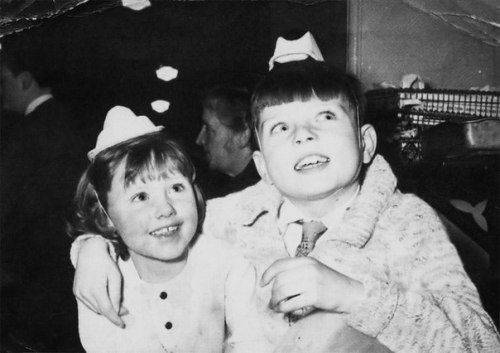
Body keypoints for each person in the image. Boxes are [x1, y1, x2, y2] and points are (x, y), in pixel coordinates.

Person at [70, 32, 500, 352]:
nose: (304, 136)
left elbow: (482, 343)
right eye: (280, 127)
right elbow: (150, 227)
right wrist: (92, 249)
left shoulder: (407, 222)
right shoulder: (223, 219)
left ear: (366, 142)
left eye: (325, 117)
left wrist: (353, 296)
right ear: (262, 165)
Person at [68, 105, 268, 353]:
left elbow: (253, 342)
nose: (165, 209)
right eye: (140, 196)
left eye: (176, 188)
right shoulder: (101, 280)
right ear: (106, 215)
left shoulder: (226, 263)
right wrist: (89, 247)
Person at [0, 33, 85, 351]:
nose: (0, 90)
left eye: (3, 80)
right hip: (66, 270)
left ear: (24, 80)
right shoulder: (69, 122)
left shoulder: (28, 131)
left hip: (30, 274)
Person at [195, 85, 260, 198]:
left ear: (242, 136)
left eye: (209, 129)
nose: (199, 140)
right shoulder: (235, 188)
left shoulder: (256, 194)